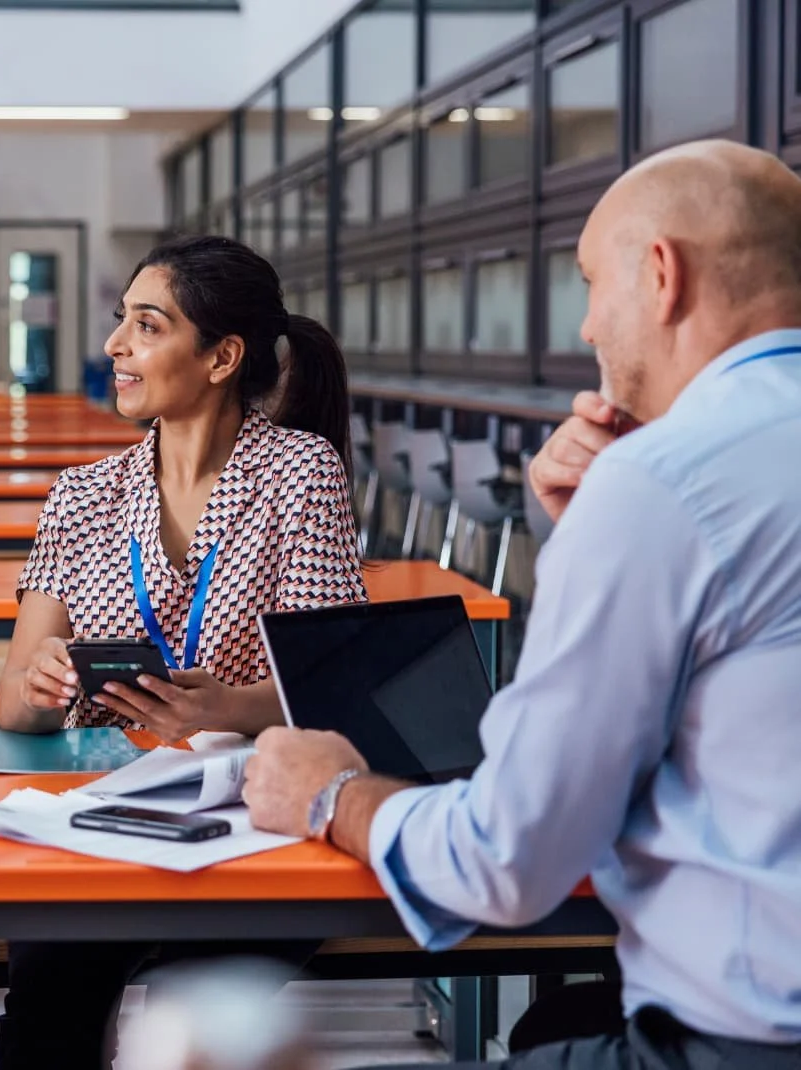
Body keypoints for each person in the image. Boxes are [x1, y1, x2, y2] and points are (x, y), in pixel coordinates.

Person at [244, 138, 801, 1068]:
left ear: (662, 276)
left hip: (747, 1045)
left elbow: (506, 862)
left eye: (590, 284)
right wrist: (587, 537)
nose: (585, 328)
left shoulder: (663, 482)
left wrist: (332, 795)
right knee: (558, 1027)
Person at [0, 235, 367, 1068]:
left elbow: (333, 687)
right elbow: (12, 700)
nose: (115, 346)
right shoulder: (84, 494)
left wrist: (219, 708)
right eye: (121, 320)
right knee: (51, 999)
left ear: (222, 357)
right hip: (102, 809)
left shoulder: (299, 474)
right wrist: (45, 683)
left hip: (254, 814)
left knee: (196, 1009)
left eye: (147, 325)